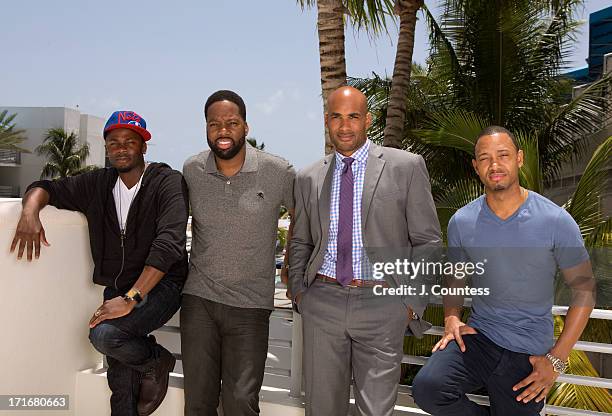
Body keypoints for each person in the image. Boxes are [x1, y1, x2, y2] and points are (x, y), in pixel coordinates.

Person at [10, 111, 189, 416]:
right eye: (114, 142)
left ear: (143, 147)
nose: (121, 148)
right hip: (116, 287)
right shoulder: (98, 183)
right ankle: (144, 374)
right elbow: (48, 188)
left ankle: (157, 359)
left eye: (129, 141)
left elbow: (169, 244)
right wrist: (29, 211)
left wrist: (132, 298)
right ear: (107, 148)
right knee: (119, 380)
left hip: (162, 284)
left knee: (106, 335)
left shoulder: (167, 182)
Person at [412, 126, 595, 416]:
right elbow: (455, 276)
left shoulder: (556, 220)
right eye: (484, 158)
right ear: (475, 167)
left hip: (529, 355)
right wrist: (450, 318)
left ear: (519, 159)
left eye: (503, 155)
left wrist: (556, 360)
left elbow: (584, 290)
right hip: (480, 339)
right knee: (429, 389)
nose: (494, 165)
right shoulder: (462, 221)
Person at [289, 86, 441, 416]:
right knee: (321, 409)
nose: (345, 127)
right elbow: (300, 241)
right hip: (322, 302)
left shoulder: (406, 166)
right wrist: (300, 293)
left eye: (353, 117)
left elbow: (428, 241)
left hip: (383, 303)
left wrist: (410, 304)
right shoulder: (308, 177)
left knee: (375, 411)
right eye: (337, 118)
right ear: (326, 121)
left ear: (368, 120)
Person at [181, 90, 296, 416]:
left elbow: (303, 213)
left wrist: (290, 261)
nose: (223, 131)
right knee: (198, 403)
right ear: (205, 127)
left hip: (250, 305)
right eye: (214, 124)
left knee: (241, 403)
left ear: (245, 127)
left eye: (231, 123)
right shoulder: (192, 169)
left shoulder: (277, 170)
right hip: (199, 300)